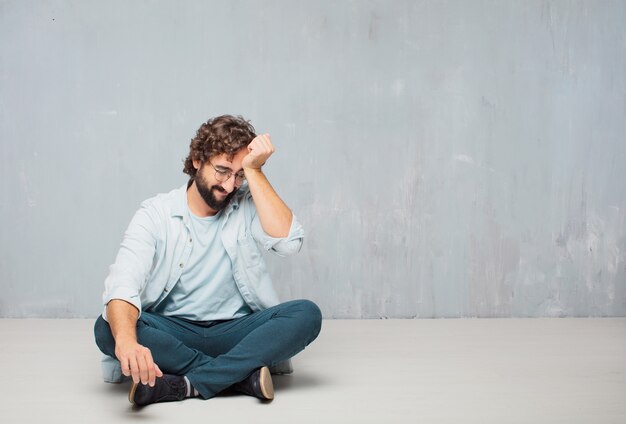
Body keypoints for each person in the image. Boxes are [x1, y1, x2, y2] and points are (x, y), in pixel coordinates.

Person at [93, 115, 322, 406]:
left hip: (237, 332)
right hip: (174, 332)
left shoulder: (247, 202)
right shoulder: (156, 213)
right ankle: (238, 377)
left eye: (239, 174)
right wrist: (125, 340)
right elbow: (123, 281)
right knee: (108, 328)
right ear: (198, 160)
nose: (230, 185)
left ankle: (184, 385)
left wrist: (256, 172)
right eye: (223, 171)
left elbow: (290, 244)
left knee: (306, 314)